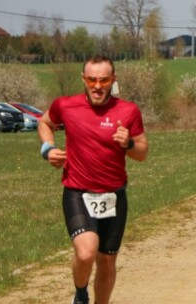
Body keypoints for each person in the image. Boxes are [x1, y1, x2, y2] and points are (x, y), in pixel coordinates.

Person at [37, 54, 148, 304]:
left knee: (107, 262)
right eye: (92, 79)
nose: (97, 86)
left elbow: (142, 152)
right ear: (83, 79)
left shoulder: (128, 110)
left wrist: (128, 143)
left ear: (113, 80)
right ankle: (80, 294)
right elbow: (44, 123)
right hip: (78, 191)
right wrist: (47, 149)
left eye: (104, 80)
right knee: (86, 252)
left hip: (114, 196)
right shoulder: (65, 105)